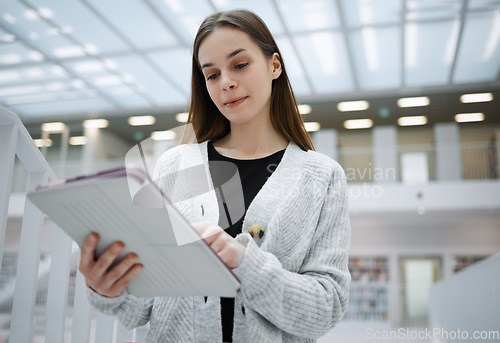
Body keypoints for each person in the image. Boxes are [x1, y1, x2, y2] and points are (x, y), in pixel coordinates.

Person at [79, 9, 351, 343]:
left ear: (274, 66)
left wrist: (244, 262)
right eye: (211, 75)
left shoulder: (322, 178)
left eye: (239, 65)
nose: (226, 83)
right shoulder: (176, 166)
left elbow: (325, 309)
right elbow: (145, 308)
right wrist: (108, 287)